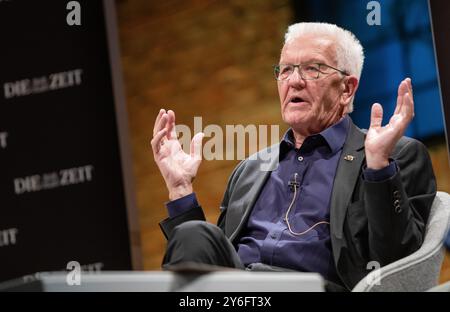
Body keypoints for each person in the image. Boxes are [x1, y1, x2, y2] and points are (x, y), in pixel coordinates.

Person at [150, 22, 436, 291]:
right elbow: (207, 260)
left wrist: (378, 169)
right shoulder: (250, 169)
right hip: (239, 294)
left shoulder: (393, 157)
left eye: (313, 69)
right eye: (286, 70)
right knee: (194, 237)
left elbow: (399, 265)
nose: (294, 81)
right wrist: (180, 190)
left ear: (347, 89)